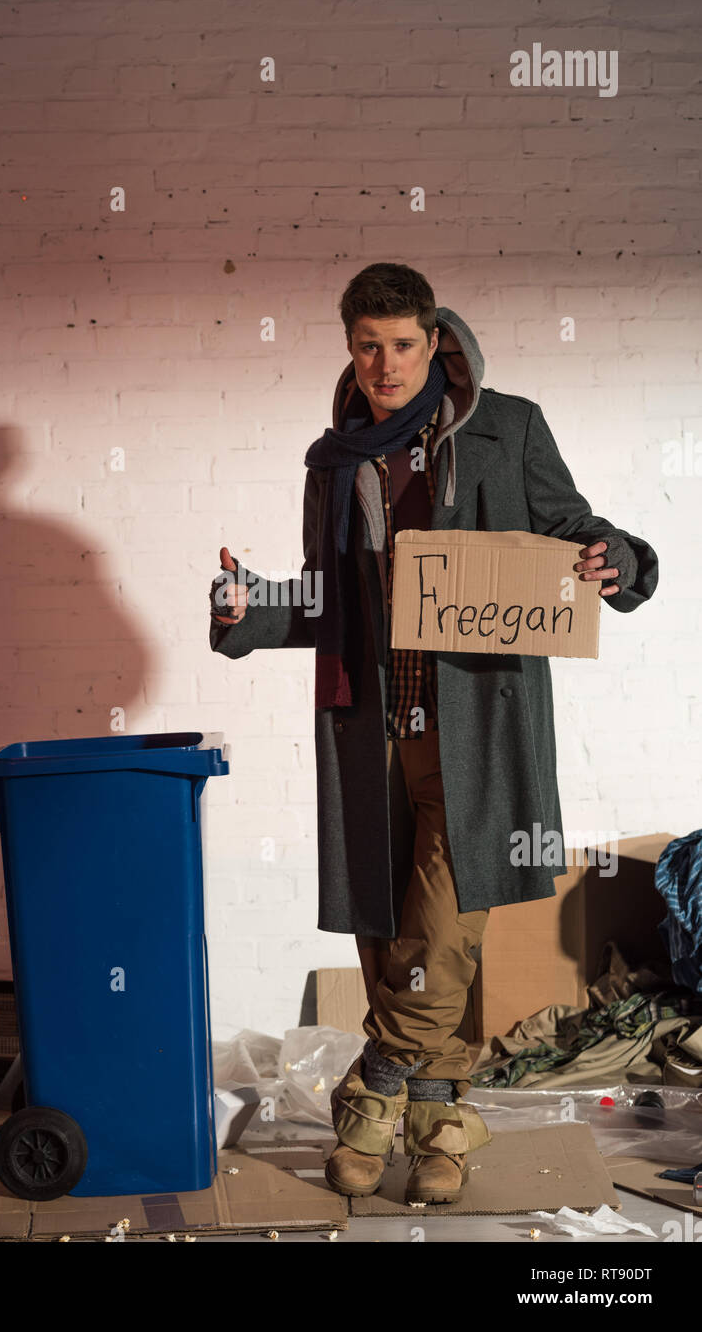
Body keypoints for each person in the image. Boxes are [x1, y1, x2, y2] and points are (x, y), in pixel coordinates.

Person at [208, 262, 658, 1204]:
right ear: (349, 348)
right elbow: (324, 602)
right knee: (390, 935)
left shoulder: (508, 427)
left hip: (477, 733)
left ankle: (370, 1093)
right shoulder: (332, 463)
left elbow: (580, 532)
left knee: (441, 934)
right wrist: (246, 609)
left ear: (434, 338)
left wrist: (613, 558)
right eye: (367, 346)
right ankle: (438, 1135)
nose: (386, 364)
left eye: (403, 344)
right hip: (369, 728)